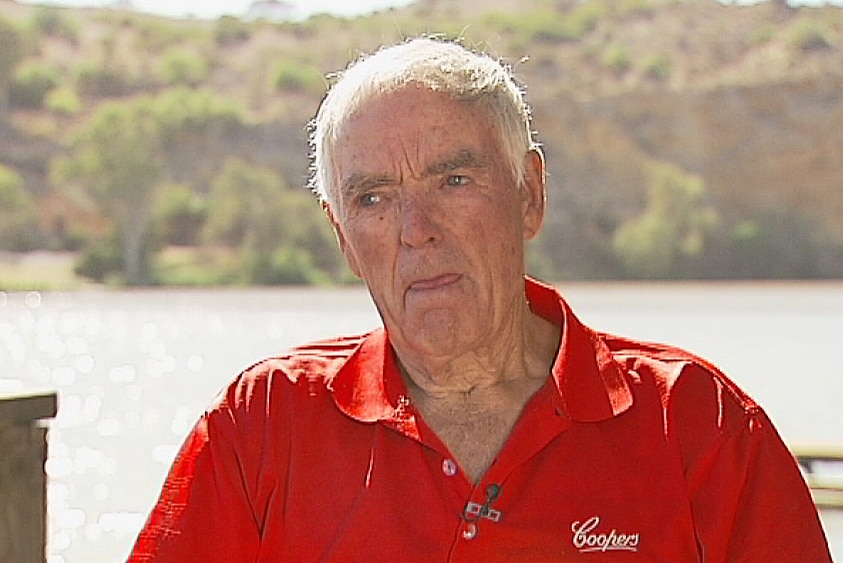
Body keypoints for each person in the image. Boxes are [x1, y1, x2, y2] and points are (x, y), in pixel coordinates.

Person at [129, 37, 831, 562]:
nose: (416, 231)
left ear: (529, 193)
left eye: (453, 181)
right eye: (373, 198)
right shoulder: (261, 426)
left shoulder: (700, 428)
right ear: (342, 236)